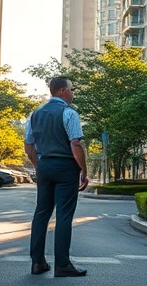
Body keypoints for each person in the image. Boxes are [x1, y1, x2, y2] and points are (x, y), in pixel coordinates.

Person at [24, 76, 89, 277]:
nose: (72, 93)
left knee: (41, 213)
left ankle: (37, 263)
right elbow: (75, 144)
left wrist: (39, 165)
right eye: (71, 89)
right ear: (62, 91)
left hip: (44, 166)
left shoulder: (35, 114)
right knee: (64, 215)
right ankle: (62, 264)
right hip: (65, 167)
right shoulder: (69, 113)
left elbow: (29, 146)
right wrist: (84, 172)